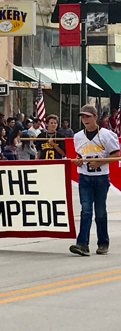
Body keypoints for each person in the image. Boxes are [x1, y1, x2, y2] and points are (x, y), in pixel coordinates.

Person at [70, 105, 119, 256]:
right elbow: (80, 155)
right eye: (83, 117)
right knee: (85, 211)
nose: (85, 120)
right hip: (85, 177)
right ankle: (82, 243)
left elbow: (116, 154)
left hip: (101, 178)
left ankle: (103, 242)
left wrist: (100, 162)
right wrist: (78, 160)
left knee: (100, 211)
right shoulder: (78, 136)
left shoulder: (106, 135)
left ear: (95, 117)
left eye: (88, 116)